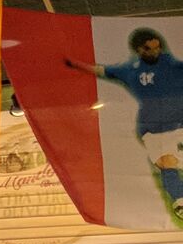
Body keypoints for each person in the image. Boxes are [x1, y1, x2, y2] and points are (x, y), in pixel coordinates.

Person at [68, 26, 183, 210]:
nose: (155, 52)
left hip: (179, 123)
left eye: (157, 47)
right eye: (149, 48)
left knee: (171, 162)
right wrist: (75, 64)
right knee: (167, 163)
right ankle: (180, 203)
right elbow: (102, 70)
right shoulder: (129, 70)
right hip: (153, 128)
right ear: (138, 49)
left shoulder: (171, 64)